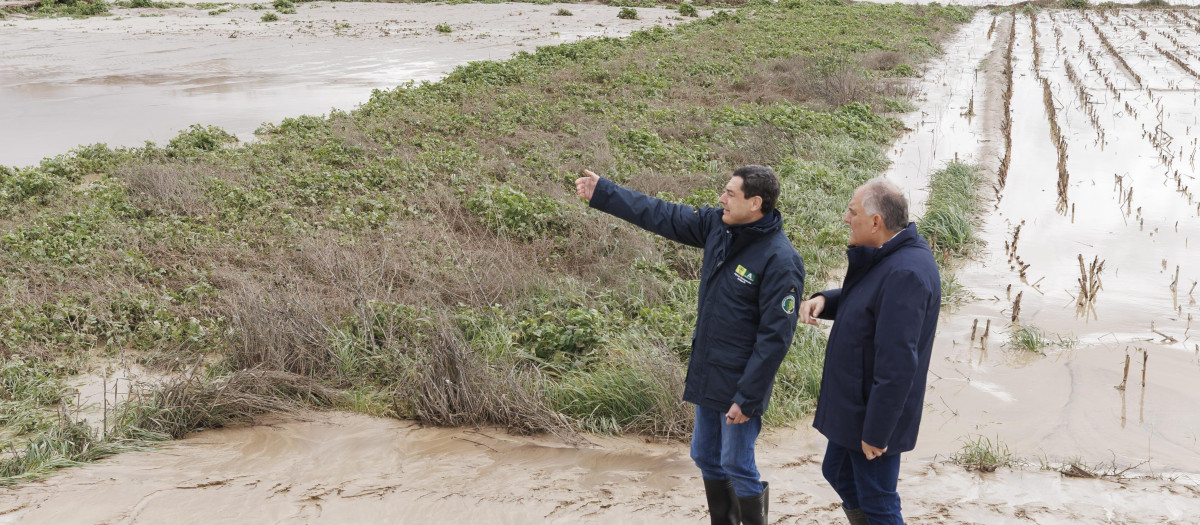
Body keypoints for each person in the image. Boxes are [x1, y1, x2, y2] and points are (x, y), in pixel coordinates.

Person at [574, 166, 804, 525]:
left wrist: (748, 396)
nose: (721, 199)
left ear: (755, 203)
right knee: (704, 455)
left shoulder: (781, 259)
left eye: (730, 194)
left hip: (742, 382)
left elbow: (775, 338)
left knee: (737, 463)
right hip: (709, 370)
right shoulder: (718, 226)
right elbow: (661, 213)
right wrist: (604, 192)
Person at [798, 178, 940, 525]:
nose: (847, 218)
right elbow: (867, 298)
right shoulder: (887, 257)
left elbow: (898, 365)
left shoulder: (905, 273)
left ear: (876, 222)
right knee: (837, 472)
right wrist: (825, 300)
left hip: (873, 416)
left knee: (878, 501)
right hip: (857, 407)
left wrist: (877, 432)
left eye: (853, 212)